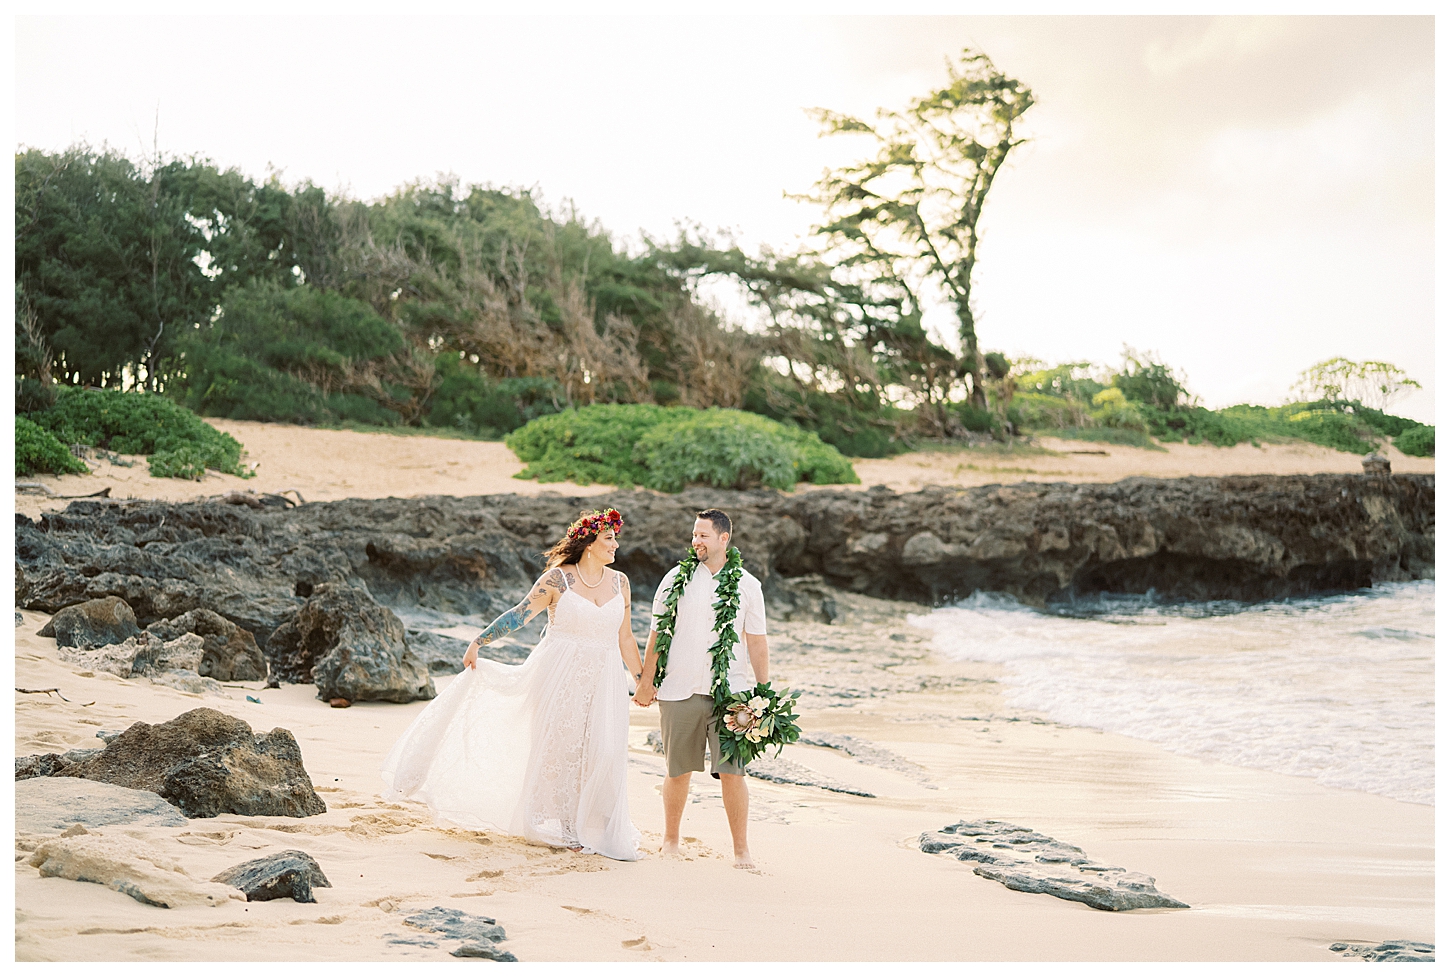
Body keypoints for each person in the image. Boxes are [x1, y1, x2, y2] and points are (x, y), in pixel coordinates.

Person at [380, 508, 644, 861]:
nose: (615, 545)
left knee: (604, 749)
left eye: (614, 538)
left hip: (606, 677)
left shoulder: (619, 582)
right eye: (609, 538)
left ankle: (593, 821)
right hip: (561, 676)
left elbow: (626, 638)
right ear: (589, 543)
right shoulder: (557, 579)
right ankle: (567, 828)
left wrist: (641, 680)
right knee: (563, 749)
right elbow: (520, 614)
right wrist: (480, 641)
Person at [633, 508, 769, 869]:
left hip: (732, 693)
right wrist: (646, 682)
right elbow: (657, 634)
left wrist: (764, 692)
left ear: (724, 539)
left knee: (733, 772)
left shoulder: (748, 585)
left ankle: (741, 849)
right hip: (679, 688)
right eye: (694, 535)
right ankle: (670, 840)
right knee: (677, 770)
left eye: (703, 536)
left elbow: (756, 642)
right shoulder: (675, 579)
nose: (696, 541)